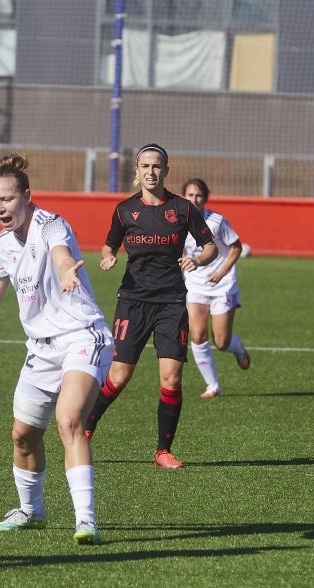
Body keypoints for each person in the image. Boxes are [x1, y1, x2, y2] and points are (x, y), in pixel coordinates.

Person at [0, 153, 112, 544]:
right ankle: (32, 512)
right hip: (41, 349)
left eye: (7, 199)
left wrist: (66, 270)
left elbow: (61, 253)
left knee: (69, 421)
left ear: (27, 197)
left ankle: (86, 522)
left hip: (82, 336)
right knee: (22, 436)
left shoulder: (51, 225)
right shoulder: (1, 246)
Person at [83, 143, 218, 469]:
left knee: (171, 378)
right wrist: (108, 257)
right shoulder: (124, 210)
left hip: (171, 301)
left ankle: (162, 451)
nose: (151, 171)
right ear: (137, 171)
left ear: (166, 171)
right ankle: (86, 426)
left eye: (157, 166)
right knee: (118, 375)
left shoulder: (183, 209)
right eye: (145, 166)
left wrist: (197, 259)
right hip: (133, 301)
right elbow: (107, 246)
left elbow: (211, 246)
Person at [181, 178, 251, 398]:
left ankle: (238, 349)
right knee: (198, 335)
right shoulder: (178, 222)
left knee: (221, 341)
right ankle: (213, 386)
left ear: (205, 197)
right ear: (184, 197)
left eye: (199, 195)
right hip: (195, 284)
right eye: (190, 195)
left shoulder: (217, 221)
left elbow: (236, 248)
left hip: (222, 285)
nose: (195, 199)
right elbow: (180, 248)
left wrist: (221, 273)